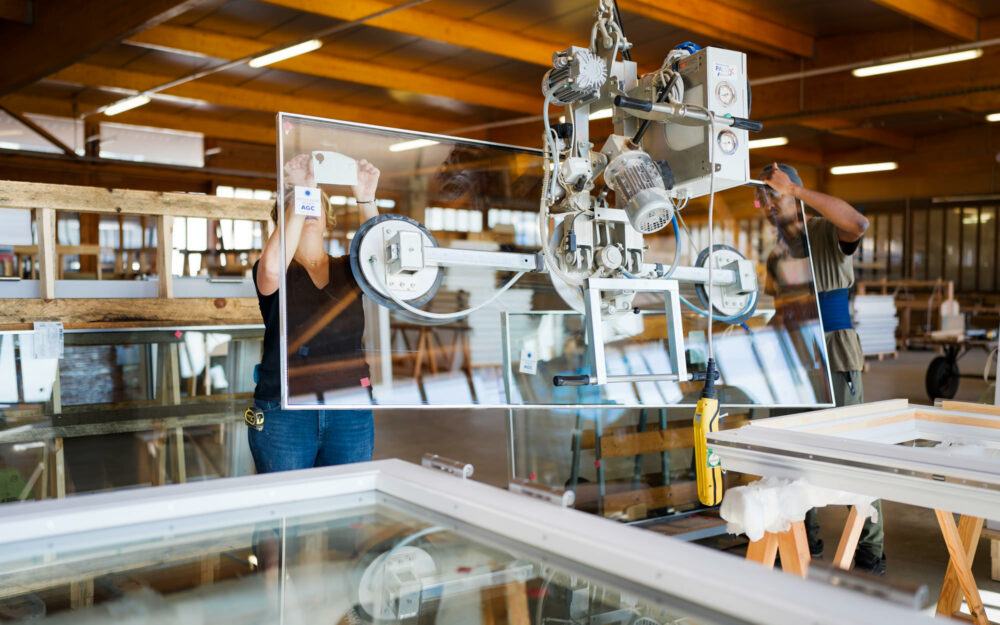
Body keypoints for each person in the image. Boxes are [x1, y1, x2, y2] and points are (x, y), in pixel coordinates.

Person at [759, 162, 886, 576]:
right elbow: (783, 309)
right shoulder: (776, 255)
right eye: (763, 198)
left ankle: (870, 549)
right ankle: (803, 540)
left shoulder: (825, 233)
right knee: (789, 453)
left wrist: (796, 192)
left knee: (850, 453)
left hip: (833, 354)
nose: (767, 205)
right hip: (792, 359)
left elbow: (859, 223)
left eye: (773, 196)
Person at [249, 154, 381, 473]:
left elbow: (383, 266)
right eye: (299, 202)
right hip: (284, 410)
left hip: (350, 407)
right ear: (283, 219)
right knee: (285, 504)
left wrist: (366, 198)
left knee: (349, 502)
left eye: (315, 202)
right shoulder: (275, 269)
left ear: (327, 219)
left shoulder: (350, 268)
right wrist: (302, 191)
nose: (308, 206)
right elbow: (271, 268)